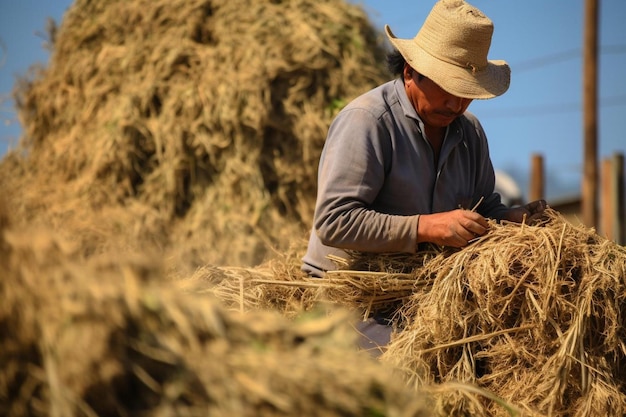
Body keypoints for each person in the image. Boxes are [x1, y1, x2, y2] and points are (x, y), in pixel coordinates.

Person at [301, 0, 547, 356]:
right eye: (447, 88)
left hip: (420, 294)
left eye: (467, 92)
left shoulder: (470, 133)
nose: (457, 104)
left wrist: (509, 219)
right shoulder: (367, 121)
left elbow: (483, 205)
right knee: (416, 367)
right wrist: (426, 228)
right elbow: (334, 222)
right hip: (350, 294)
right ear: (411, 72)